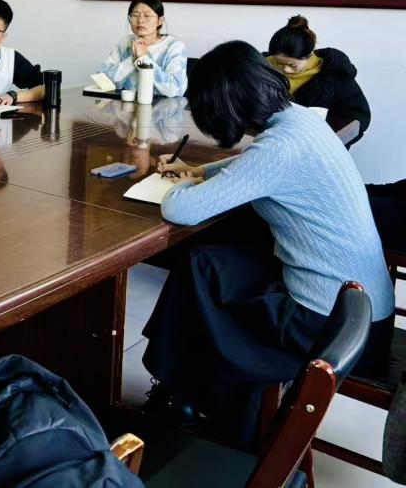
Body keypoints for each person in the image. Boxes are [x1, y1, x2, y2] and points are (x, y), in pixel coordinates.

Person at [142, 40, 393, 446]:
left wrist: (173, 184)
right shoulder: (300, 119)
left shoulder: (279, 147)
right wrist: (198, 172)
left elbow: (180, 209)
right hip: (363, 313)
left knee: (202, 278)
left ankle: (186, 396)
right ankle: (181, 394)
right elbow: (254, 163)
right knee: (205, 263)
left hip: (327, 325)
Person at [266, 15, 370, 146]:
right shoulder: (261, 68)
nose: (286, 69)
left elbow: (358, 118)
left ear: (310, 53)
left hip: (317, 144)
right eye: (279, 63)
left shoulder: (334, 73)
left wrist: (325, 135)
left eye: (292, 65)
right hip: (267, 141)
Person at [96, 0, 187, 97]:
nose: (140, 20)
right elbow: (102, 81)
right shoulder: (126, 42)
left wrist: (143, 59)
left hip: (162, 106)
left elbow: (174, 89)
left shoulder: (174, 46)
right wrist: (133, 60)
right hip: (126, 105)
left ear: (160, 21)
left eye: (147, 16)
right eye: (135, 15)